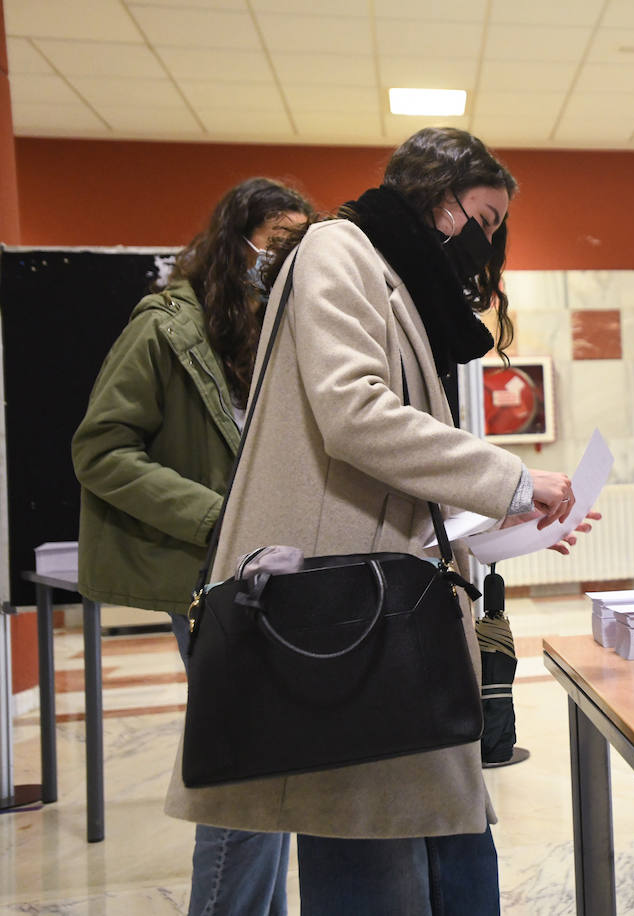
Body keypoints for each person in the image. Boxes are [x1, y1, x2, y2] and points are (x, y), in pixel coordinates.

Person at [163, 127, 595, 915]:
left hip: (381, 614)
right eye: (486, 220)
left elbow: (387, 479)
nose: (487, 245)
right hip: (344, 625)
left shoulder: (393, 281)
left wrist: (499, 523)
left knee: (425, 853)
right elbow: (354, 416)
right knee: (372, 863)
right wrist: (510, 477)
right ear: (439, 195)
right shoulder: (340, 250)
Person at [71, 177, 315, 915]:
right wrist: (218, 520)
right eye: (274, 243)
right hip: (212, 574)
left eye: (296, 247)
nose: (282, 261)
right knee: (245, 768)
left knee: (269, 768)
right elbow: (101, 450)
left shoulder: (279, 330)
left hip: (275, 577)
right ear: (234, 242)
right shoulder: (165, 327)